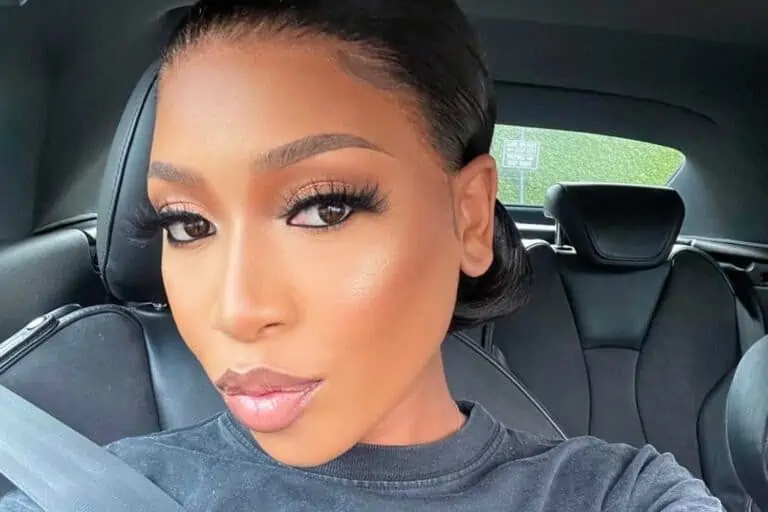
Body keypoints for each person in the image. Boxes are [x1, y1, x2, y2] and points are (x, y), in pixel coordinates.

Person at [1, 0, 724, 510]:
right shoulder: (96, 491)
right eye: (187, 224)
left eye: (326, 207)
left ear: (470, 219)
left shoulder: (620, 496)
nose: (236, 309)